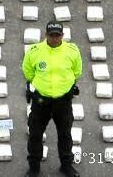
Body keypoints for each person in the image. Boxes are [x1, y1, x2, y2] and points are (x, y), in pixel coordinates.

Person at [21, 21, 82, 177]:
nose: (54, 38)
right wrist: (43, 86)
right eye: (51, 35)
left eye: (57, 35)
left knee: (65, 134)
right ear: (46, 35)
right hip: (41, 101)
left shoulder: (72, 51)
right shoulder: (35, 51)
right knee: (35, 134)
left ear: (62, 35)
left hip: (63, 101)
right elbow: (28, 72)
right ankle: (34, 168)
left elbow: (77, 72)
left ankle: (66, 165)